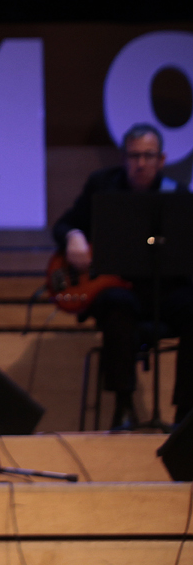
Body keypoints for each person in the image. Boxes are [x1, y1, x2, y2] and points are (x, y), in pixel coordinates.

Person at [52, 122, 192, 427]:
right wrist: (74, 235)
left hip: (163, 293)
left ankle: (185, 414)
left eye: (148, 155)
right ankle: (123, 407)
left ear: (162, 159)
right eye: (134, 156)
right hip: (117, 291)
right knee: (118, 305)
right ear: (124, 158)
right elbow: (63, 225)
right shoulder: (102, 185)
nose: (140, 163)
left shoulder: (178, 197)